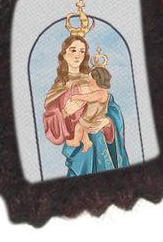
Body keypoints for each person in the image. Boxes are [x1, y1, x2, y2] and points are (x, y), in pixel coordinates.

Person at [42, 35, 128, 174]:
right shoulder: (58, 87)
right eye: (73, 50)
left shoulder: (93, 78)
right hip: (79, 151)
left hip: (100, 143)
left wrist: (107, 122)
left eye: (82, 51)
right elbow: (50, 121)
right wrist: (65, 112)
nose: (78, 55)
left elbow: (111, 108)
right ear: (64, 54)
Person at [66, 66, 114, 154]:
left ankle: (76, 141)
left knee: (79, 127)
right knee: (83, 129)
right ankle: (87, 142)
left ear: (97, 81)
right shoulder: (99, 91)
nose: (88, 84)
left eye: (90, 81)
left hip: (94, 118)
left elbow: (89, 97)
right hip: (90, 117)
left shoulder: (101, 93)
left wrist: (77, 97)